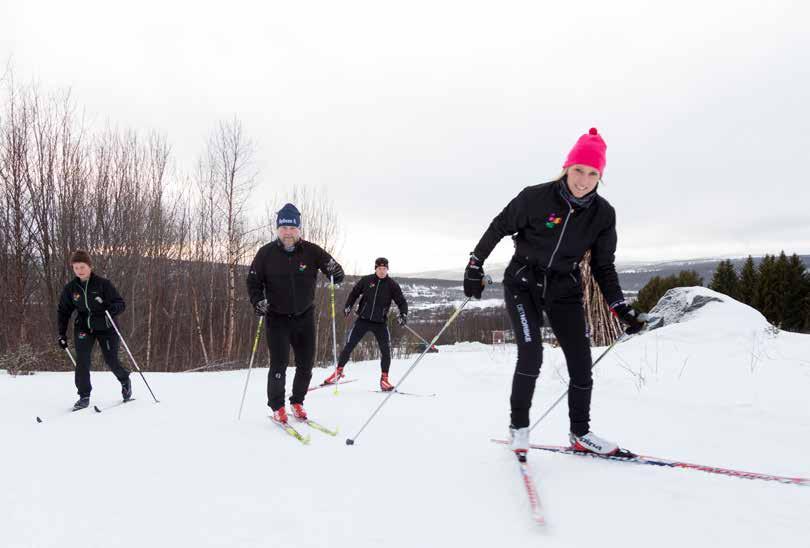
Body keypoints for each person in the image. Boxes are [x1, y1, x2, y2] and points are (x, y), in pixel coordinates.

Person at [463, 128, 645, 458]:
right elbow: (499, 226)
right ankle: (519, 428)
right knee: (531, 353)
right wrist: (475, 264)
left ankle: (580, 433)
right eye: (578, 170)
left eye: (593, 174)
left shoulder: (603, 215)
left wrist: (620, 306)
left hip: (564, 288)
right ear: (566, 168)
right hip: (523, 284)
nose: (583, 180)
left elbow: (604, 267)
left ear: (600, 176)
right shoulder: (535, 197)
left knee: (581, 363)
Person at [246, 203, 345, 424]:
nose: (288, 232)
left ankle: (297, 401)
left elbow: (336, 274)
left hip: (304, 317)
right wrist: (258, 301)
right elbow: (253, 281)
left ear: (299, 229)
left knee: (305, 364)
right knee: (279, 364)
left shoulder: (311, 251)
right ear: (277, 229)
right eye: (284, 228)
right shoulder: (266, 254)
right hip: (277, 318)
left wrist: (336, 271)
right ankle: (277, 406)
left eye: (292, 228)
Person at [57, 250, 131, 410]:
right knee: (82, 360)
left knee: (110, 360)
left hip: (106, 327)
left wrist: (109, 308)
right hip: (84, 327)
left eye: (82, 267)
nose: (79, 271)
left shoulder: (103, 284)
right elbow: (63, 311)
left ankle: (125, 380)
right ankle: (84, 395)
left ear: (90, 266)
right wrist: (61, 334)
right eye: (76, 268)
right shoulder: (71, 288)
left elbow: (120, 304)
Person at [324, 257, 408, 391]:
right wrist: (348, 306)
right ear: (375, 269)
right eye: (379, 268)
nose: (382, 271)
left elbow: (401, 302)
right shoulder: (367, 280)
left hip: (380, 323)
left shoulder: (392, 285)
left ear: (387, 269)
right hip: (363, 320)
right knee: (349, 345)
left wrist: (403, 314)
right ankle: (338, 372)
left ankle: (384, 380)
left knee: (385, 351)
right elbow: (354, 293)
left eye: (384, 269)